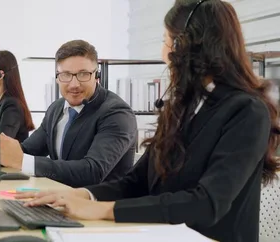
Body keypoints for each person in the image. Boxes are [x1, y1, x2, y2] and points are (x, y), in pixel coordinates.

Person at [16, 1, 280, 241]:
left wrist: (102, 209)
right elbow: (137, 181)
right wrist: (81, 195)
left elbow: (207, 203)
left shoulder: (247, 112)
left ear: (183, 47)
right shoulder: (183, 108)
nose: (164, 52)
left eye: (166, 40)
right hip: (161, 234)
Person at [0, 40, 137, 188]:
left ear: (97, 76)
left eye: (83, 74)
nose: (74, 84)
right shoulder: (56, 108)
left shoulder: (117, 114)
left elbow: (92, 172)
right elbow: (28, 150)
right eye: (66, 75)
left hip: (98, 206)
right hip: (60, 199)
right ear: (57, 77)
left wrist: (20, 160)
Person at [0, 50, 35, 143]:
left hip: (9, 157)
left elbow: (2, 142)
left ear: (0, 75)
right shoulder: (0, 102)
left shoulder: (11, 105)